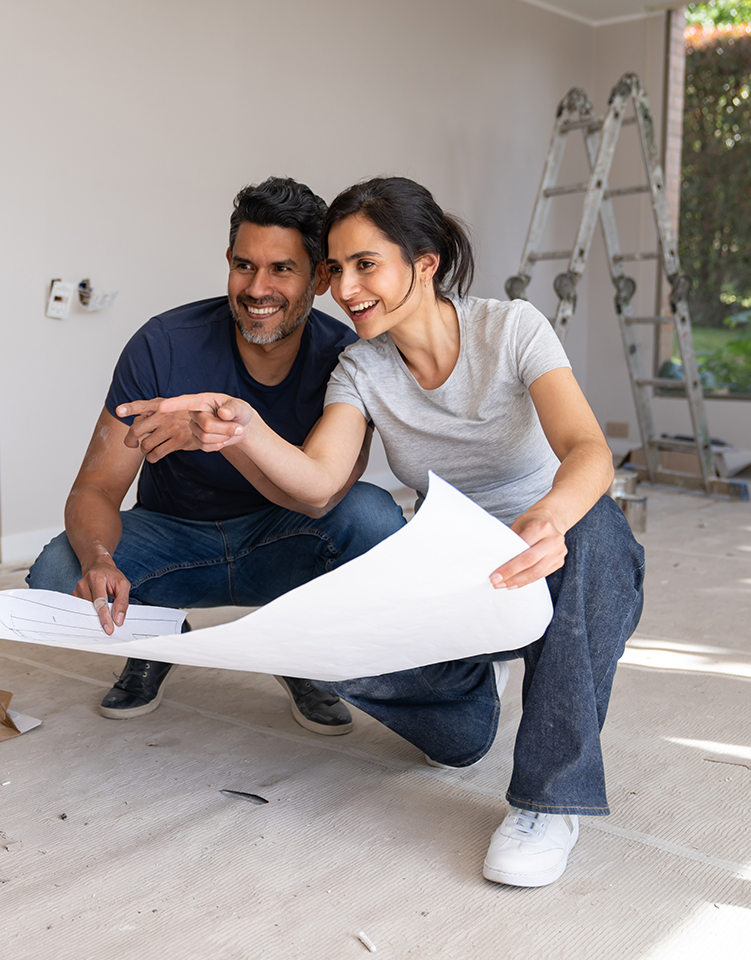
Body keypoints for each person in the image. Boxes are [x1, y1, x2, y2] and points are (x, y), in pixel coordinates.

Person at [136, 176, 645, 888]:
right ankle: (472, 689)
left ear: (425, 261)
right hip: (456, 571)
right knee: (362, 666)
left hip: (552, 547)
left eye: (365, 264)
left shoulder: (512, 328)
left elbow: (589, 450)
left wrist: (550, 518)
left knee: (597, 535)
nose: (345, 287)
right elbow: (318, 481)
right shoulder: (363, 365)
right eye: (336, 269)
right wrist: (241, 428)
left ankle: (545, 803)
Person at [26, 176, 405, 736]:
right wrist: (101, 557)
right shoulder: (163, 344)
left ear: (320, 278)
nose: (258, 288)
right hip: (176, 534)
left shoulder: (347, 359)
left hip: (284, 536)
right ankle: (156, 638)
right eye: (245, 265)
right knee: (60, 572)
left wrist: (220, 433)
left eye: (282, 268)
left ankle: (296, 648)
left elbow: (324, 495)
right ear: (228, 260)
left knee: (374, 518)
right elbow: (96, 489)